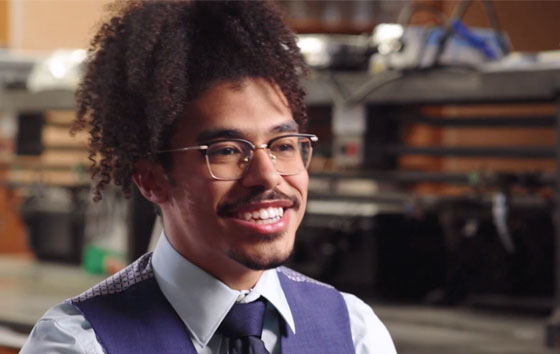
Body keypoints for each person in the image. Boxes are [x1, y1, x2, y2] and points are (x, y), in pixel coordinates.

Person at [20, 1, 396, 353]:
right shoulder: (80, 344)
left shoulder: (355, 333)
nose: (267, 177)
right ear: (151, 179)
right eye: (227, 151)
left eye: (283, 145)